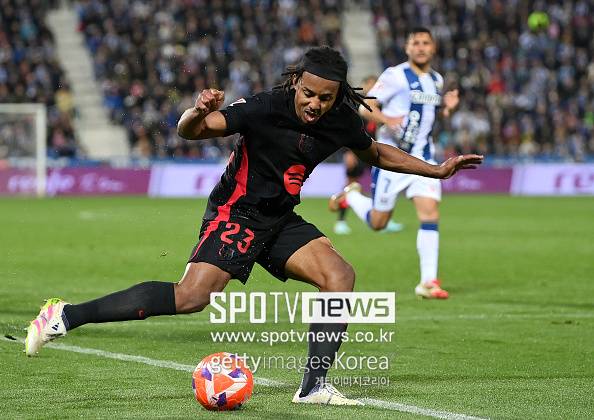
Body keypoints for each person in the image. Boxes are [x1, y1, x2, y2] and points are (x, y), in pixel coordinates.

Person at [25, 46, 482, 405]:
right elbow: (193, 131)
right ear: (296, 82)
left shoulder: (341, 118)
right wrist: (196, 111)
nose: (315, 104)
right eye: (308, 93)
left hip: (279, 218)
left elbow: (376, 152)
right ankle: (65, 315)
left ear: (337, 95)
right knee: (192, 297)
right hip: (236, 213)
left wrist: (435, 170)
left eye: (325, 97)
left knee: (339, 276)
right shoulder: (265, 106)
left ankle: (313, 386)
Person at [330, 27, 459, 299]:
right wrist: (387, 120)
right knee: (378, 222)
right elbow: (365, 106)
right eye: (416, 42)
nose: (421, 47)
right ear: (407, 48)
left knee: (430, 213)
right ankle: (352, 196)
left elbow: (429, 116)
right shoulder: (395, 75)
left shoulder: (436, 80)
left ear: (433, 48)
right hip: (392, 159)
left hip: (423, 158)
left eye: (425, 43)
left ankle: (428, 282)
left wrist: (447, 109)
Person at [333, 75, 404, 235]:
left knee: (384, 185)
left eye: (375, 84)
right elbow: (345, 131)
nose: (372, 88)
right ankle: (341, 221)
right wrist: (348, 152)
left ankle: (385, 218)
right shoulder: (354, 105)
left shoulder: (382, 107)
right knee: (350, 185)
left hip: (376, 152)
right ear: (363, 86)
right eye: (369, 84)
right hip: (357, 152)